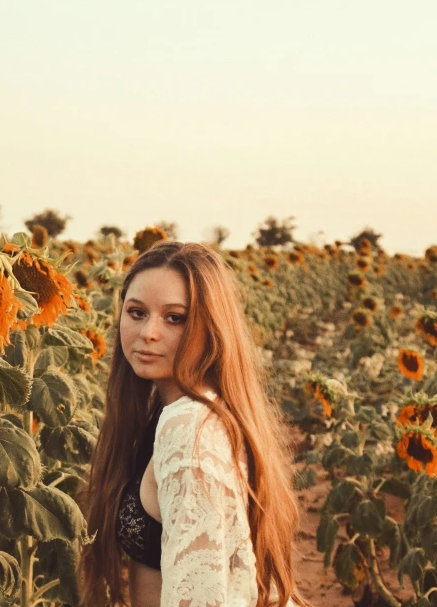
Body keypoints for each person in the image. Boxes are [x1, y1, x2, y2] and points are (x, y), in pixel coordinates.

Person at [76, 241, 311, 607]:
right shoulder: (192, 412)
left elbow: (201, 597)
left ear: (211, 327)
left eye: (175, 318)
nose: (149, 332)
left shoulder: (189, 429)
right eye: (136, 312)